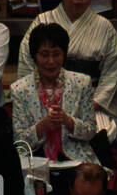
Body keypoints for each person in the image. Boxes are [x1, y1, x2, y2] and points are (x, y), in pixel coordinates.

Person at [16, 0, 117, 128]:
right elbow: (27, 66)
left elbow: (111, 76)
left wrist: (88, 106)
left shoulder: (105, 28)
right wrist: (46, 104)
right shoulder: (42, 21)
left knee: (101, 133)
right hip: (43, 103)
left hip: (90, 104)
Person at [9, 22, 98, 164]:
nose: (50, 61)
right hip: (35, 160)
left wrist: (67, 121)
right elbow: (19, 143)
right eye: (44, 55)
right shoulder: (19, 89)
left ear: (64, 55)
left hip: (76, 158)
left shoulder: (81, 83)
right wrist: (42, 125)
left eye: (56, 54)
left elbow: (91, 131)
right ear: (34, 56)